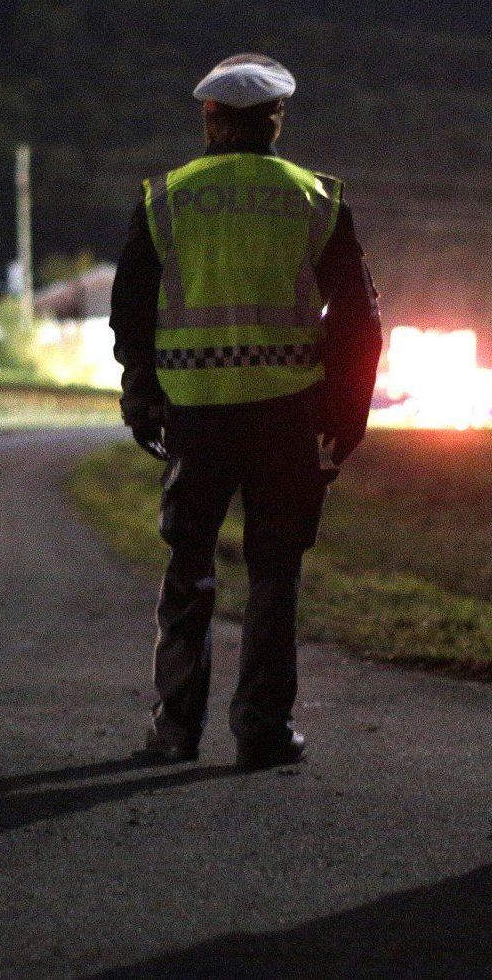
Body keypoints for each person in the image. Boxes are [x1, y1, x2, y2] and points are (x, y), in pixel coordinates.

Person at [110, 53, 383, 770]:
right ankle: (262, 728)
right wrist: (346, 416)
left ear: (209, 118)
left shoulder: (166, 197)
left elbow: (131, 310)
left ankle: (175, 727)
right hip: (288, 420)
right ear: (276, 122)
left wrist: (140, 391)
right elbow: (360, 322)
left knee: (189, 565)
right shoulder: (316, 199)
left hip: (194, 415)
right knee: (274, 571)